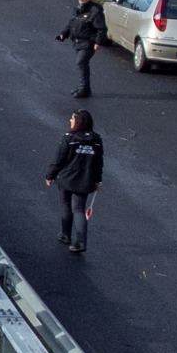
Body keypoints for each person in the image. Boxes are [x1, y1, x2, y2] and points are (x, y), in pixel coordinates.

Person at [45, 108, 104, 254]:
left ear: (78, 122)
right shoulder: (96, 140)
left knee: (66, 205)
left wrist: (50, 176)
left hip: (67, 179)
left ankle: (65, 234)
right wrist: (98, 180)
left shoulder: (68, 138)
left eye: (72, 118)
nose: (70, 121)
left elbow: (59, 160)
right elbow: (98, 162)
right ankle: (81, 242)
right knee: (79, 209)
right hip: (85, 181)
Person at [57, 0, 103, 99]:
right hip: (77, 42)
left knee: (81, 62)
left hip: (88, 42)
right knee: (82, 64)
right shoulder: (77, 9)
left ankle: (84, 89)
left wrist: (98, 42)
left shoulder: (95, 11)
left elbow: (101, 29)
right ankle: (85, 88)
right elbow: (71, 24)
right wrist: (63, 34)